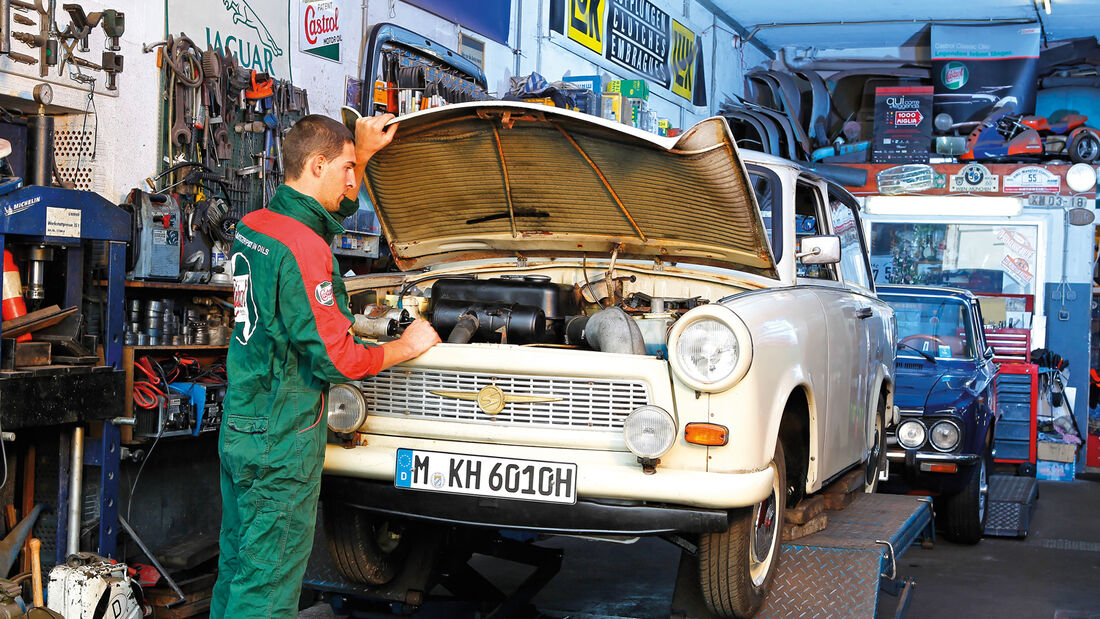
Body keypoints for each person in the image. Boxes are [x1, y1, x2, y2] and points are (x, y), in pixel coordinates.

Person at [210, 113, 441, 618]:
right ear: (317, 166)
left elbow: (320, 221)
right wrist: (408, 345)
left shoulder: (256, 227)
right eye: (347, 171)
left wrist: (363, 151)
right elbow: (339, 357)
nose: (352, 184)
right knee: (267, 591)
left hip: (244, 424)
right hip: (283, 439)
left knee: (237, 569)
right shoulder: (306, 249)